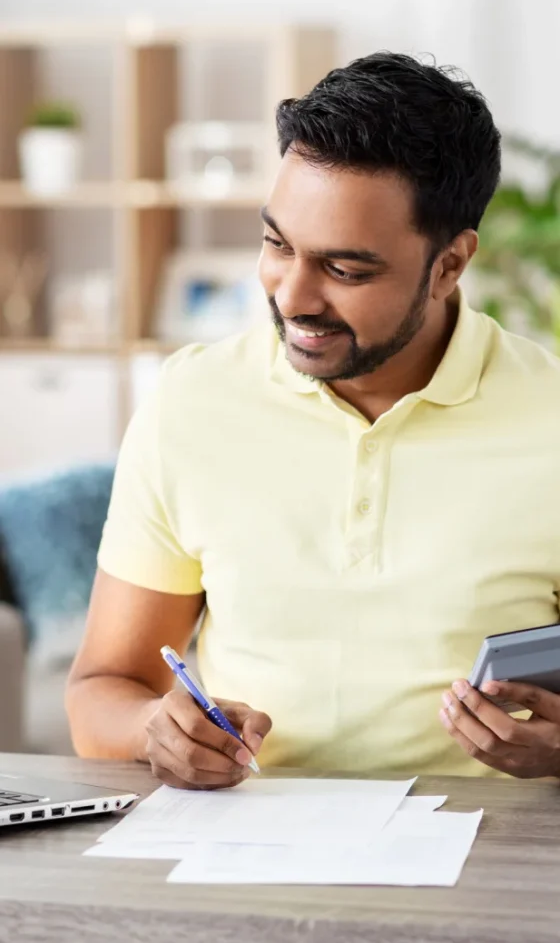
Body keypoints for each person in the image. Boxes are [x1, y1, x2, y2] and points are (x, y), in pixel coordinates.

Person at [66, 52, 560, 789]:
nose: (292, 295)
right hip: (243, 854)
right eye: (277, 244)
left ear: (450, 264)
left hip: (487, 873)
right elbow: (100, 690)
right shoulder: (192, 402)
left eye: (345, 270)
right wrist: (155, 732)